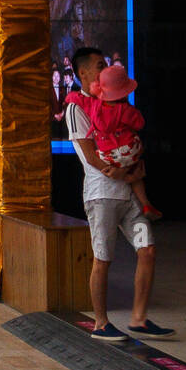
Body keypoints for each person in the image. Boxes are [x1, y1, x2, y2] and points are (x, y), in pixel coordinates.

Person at [65, 47, 175, 343]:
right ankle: (101, 323)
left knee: (147, 248)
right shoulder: (76, 107)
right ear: (84, 73)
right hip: (102, 196)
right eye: (100, 65)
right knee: (103, 259)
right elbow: (90, 156)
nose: (106, 69)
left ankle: (138, 318)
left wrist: (133, 171)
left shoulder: (111, 100)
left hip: (127, 194)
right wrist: (125, 173)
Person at [65, 62, 159, 219]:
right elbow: (139, 123)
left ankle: (133, 184)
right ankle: (145, 203)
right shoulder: (125, 109)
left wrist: (71, 96)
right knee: (136, 165)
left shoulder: (94, 105)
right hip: (129, 151)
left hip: (109, 156)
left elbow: (77, 99)